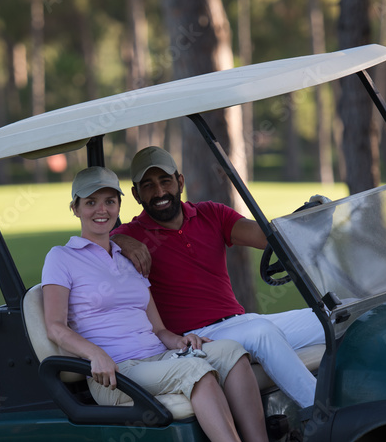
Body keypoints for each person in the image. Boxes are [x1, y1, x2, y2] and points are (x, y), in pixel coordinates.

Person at [41, 165, 302, 442]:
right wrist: (93, 353)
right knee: (196, 371)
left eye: (109, 201)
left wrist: (180, 342)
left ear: (119, 206)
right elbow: (55, 326)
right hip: (117, 372)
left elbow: (159, 328)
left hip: (157, 357)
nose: (101, 210)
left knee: (230, 352)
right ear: (75, 208)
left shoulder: (129, 258)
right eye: (91, 202)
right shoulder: (61, 258)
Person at [111, 146, 324, 413]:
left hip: (240, 322)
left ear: (180, 182)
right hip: (197, 338)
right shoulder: (130, 235)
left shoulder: (211, 213)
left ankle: (369, 398)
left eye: (165, 181)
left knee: (335, 315)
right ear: (136, 194)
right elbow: (95, 251)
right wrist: (117, 238)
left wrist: (308, 220)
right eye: (148, 185)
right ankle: (322, 414)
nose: (159, 192)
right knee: (262, 333)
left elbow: (265, 238)